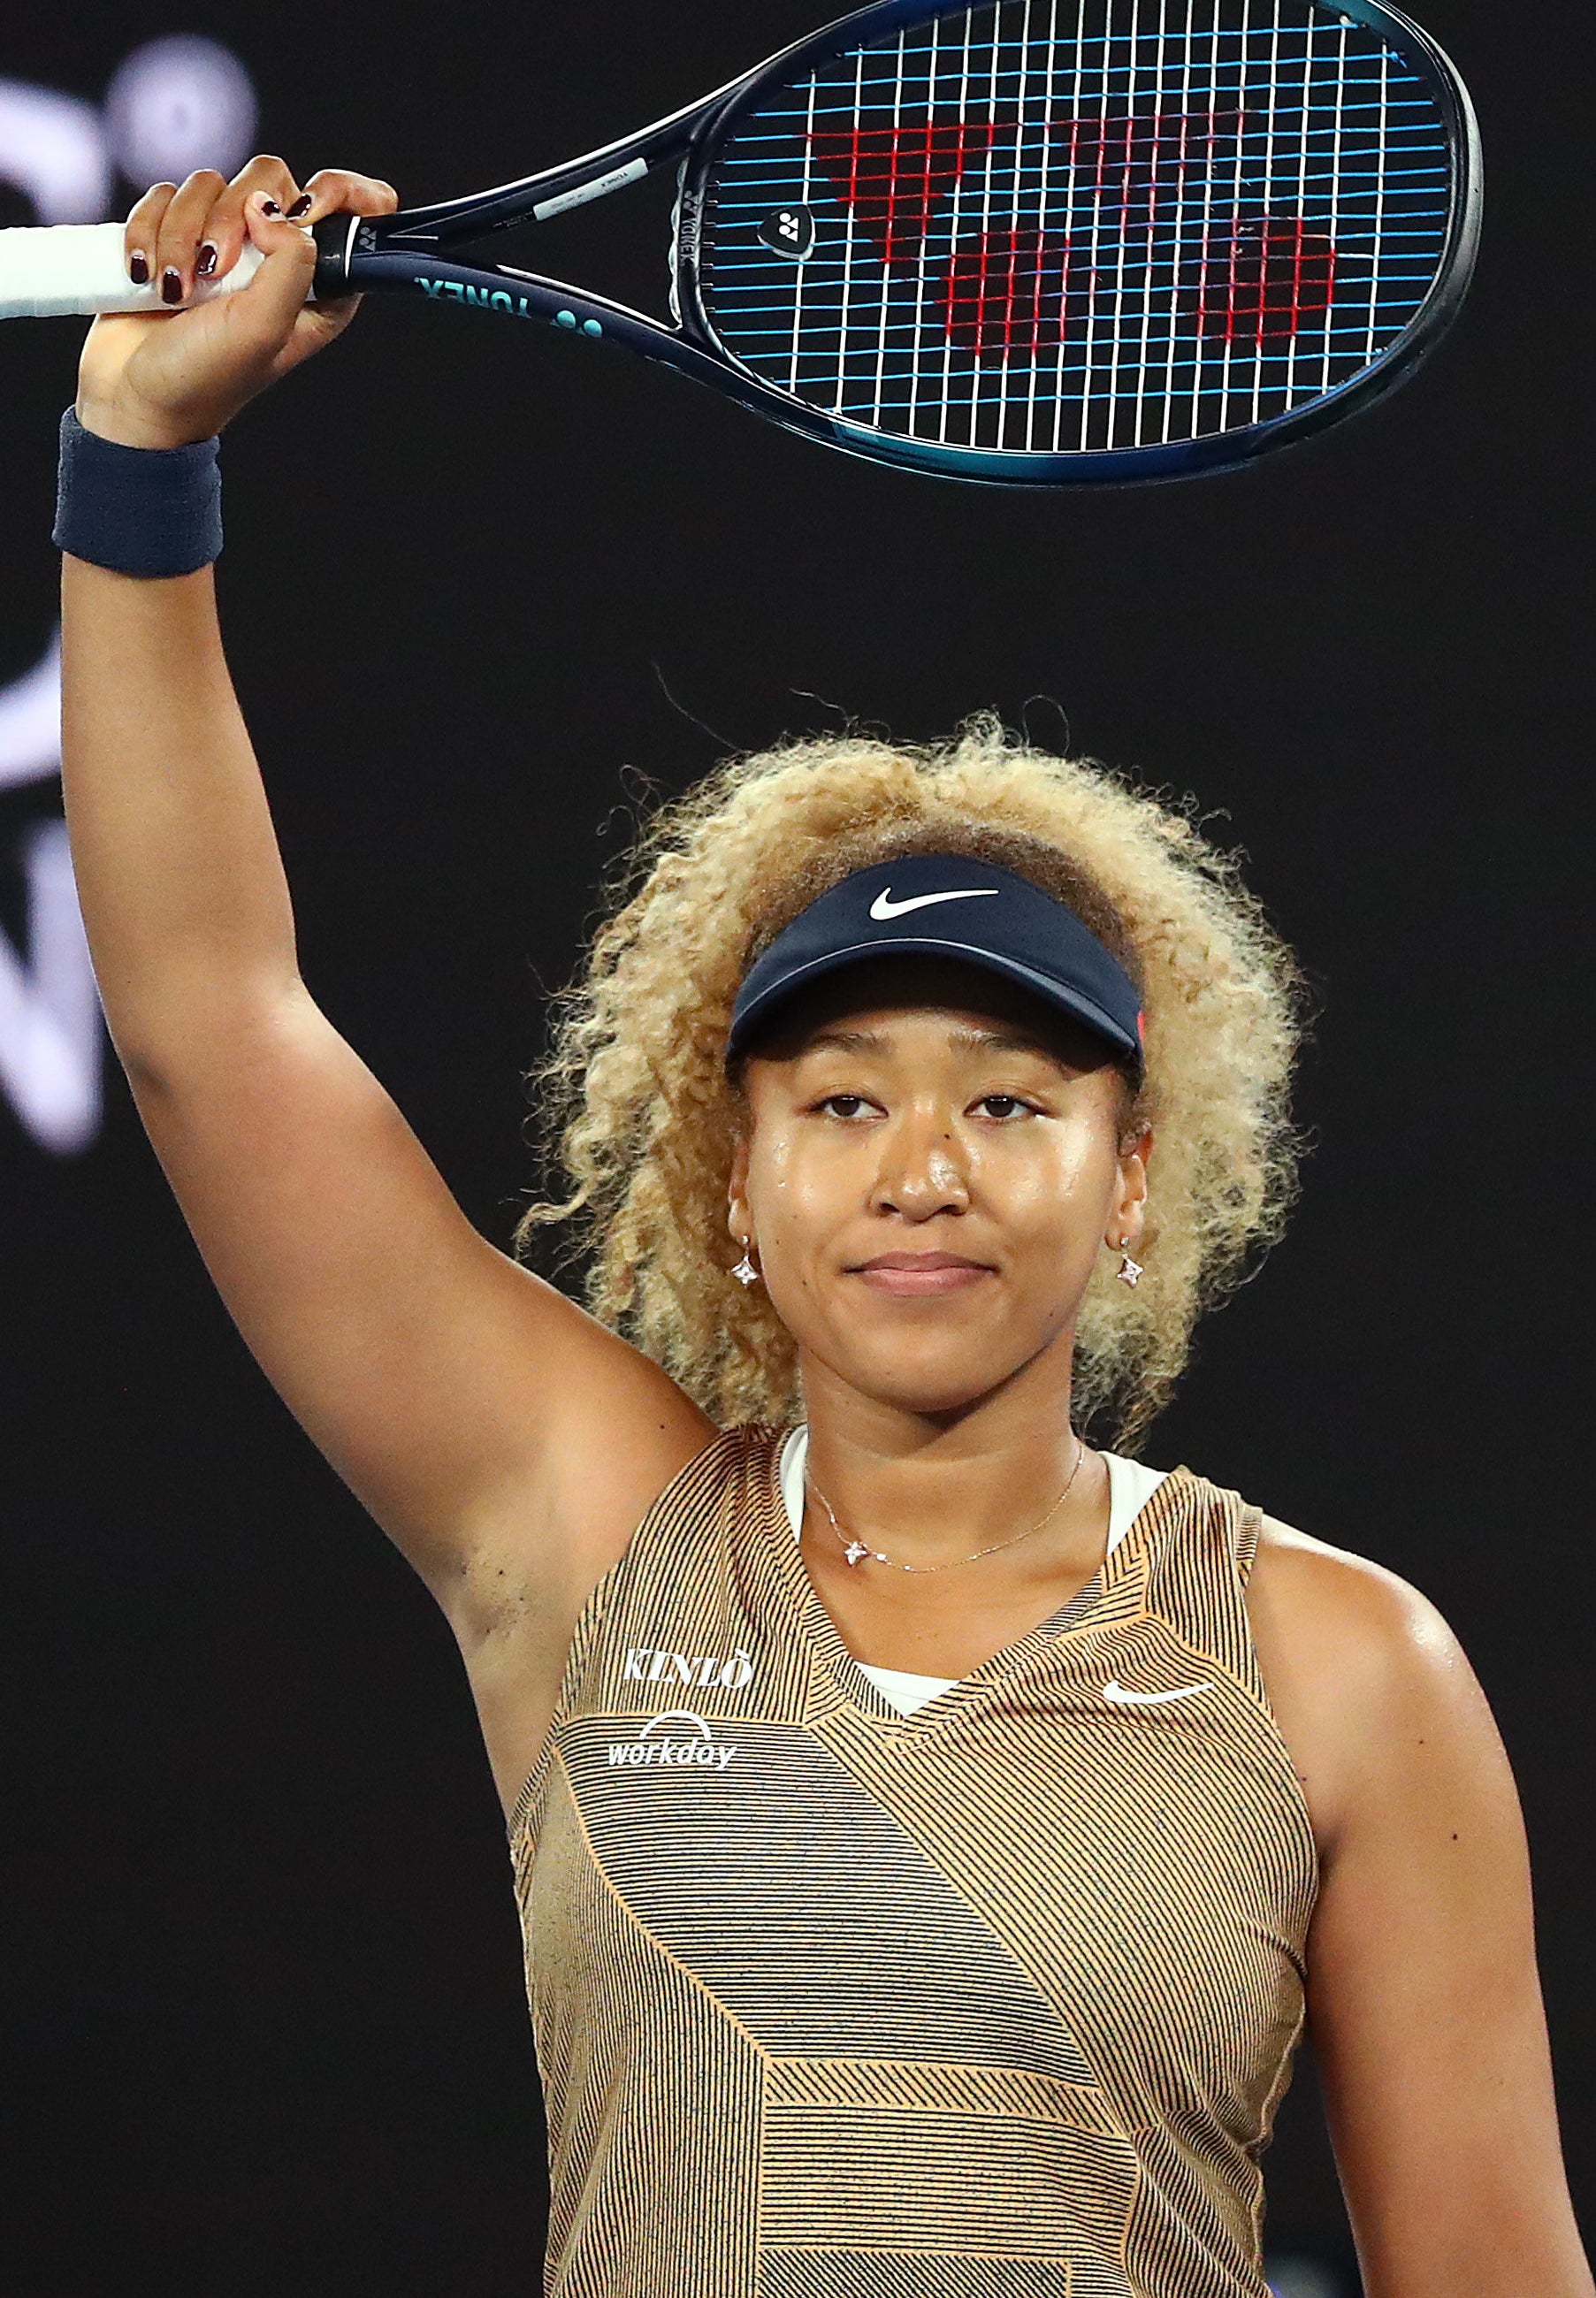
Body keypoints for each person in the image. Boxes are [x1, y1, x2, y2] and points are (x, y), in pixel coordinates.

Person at [55, 157, 1591, 2298]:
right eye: (846, 1099)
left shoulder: (1348, 1670)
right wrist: (138, 462)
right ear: (738, 1181)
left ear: (1134, 1171)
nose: (924, 1164)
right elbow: (216, 1024)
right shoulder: (589, 1535)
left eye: (1013, 1100)